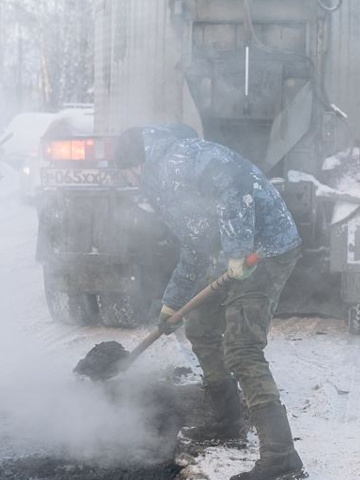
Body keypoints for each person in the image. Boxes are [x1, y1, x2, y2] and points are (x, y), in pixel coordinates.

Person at [116, 125, 306, 480]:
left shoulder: (179, 158)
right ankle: (227, 419)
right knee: (201, 326)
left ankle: (282, 456)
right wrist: (172, 303)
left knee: (242, 346)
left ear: (136, 161)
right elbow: (194, 242)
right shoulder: (159, 183)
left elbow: (234, 183)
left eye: (126, 169)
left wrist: (237, 248)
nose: (128, 177)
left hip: (265, 250)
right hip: (232, 255)